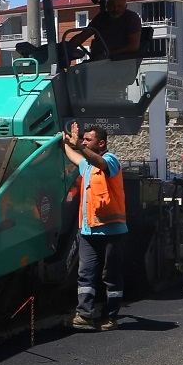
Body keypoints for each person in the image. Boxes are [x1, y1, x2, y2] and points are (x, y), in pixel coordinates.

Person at [61, 121, 126, 330]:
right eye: (84, 139)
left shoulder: (110, 160)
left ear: (101, 143)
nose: (84, 142)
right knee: (85, 273)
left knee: (111, 275)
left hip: (111, 230)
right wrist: (63, 142)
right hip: (88, 230)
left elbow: (100, 163)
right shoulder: (87, 166)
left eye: (88, 140)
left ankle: (110, 317)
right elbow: (76, 157)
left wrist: (78, 145)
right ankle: (85, 316)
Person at [60, 0, 143, 62]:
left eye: (119, 6)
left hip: (118, 62)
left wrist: (107, 54)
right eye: (112, 6)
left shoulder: (132, 18)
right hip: (97, 61)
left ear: (125, 7)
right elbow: (83, 36)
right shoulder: (101, 17)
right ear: (107, 5)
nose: (115, 9)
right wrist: (65, 49)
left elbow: (133, 47)